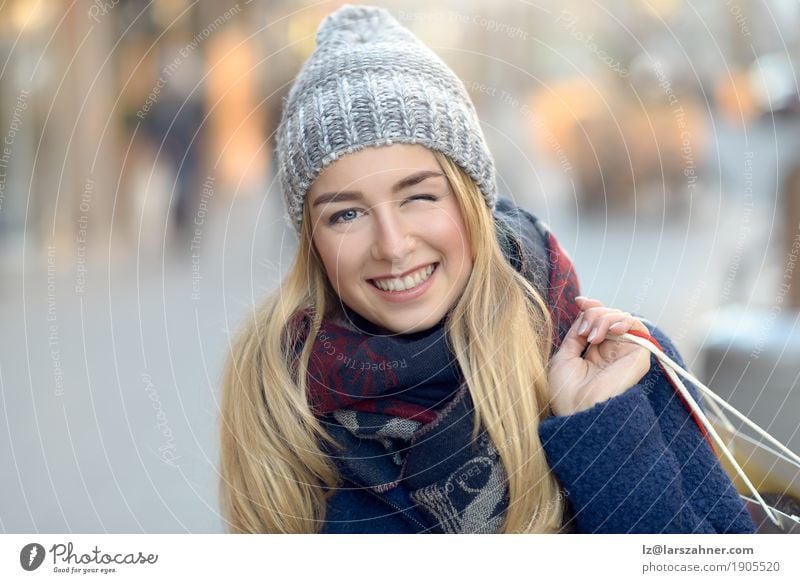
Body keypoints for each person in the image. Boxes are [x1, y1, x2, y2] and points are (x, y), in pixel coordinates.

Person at [219, 4, 756, 534]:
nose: (392, 245)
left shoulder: (620, 366)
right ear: (311, 238)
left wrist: (604, 428)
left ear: (471, 201)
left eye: (419, 197)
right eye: (347, 213)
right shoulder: (280, 403)